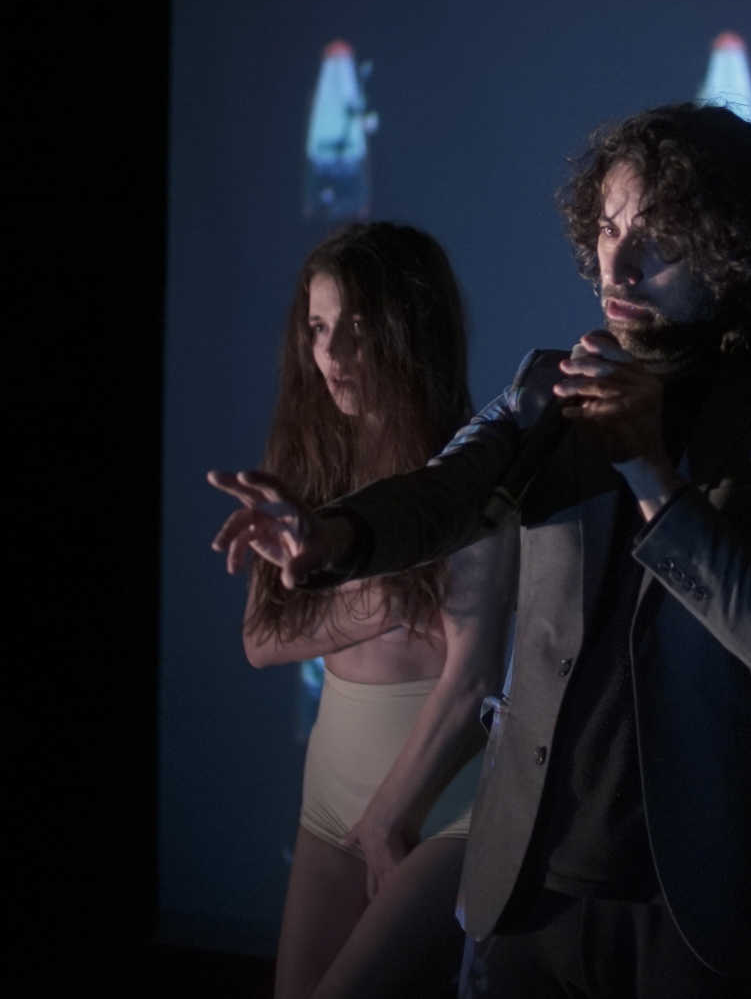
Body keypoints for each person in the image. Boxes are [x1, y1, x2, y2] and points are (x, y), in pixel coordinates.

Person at [212, 104, 751, 997]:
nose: (617, 264)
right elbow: (441, 494)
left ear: (734, 247)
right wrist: (329, 533)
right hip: (536, 890)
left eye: (657, 237)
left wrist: (651, 474)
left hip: (712, 904)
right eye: (606, 228)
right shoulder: (551, 384)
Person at [211, 222, 517, 999]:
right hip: (328, 796)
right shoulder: (307, 465)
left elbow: (473, 675)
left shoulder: (471, 472)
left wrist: (387, 818)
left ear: (411, 326)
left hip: (441, 803)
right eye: (317, 328)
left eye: (355, 326)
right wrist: (392, 594)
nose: (333, 353)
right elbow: (260, 641)